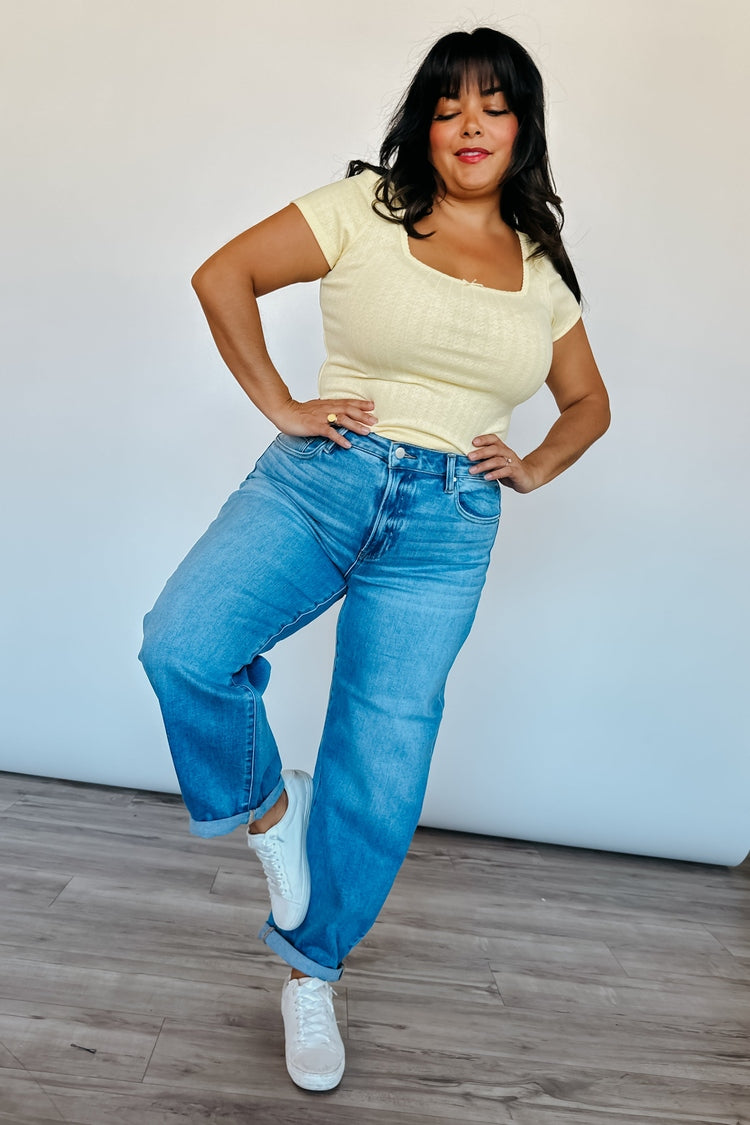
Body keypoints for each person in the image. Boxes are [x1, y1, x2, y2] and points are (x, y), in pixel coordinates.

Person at [139, 26, 609, 1092]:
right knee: (183, 646)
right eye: (449, 106)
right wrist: (281, 403)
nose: (471, 124)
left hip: (449, 523)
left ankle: (313, 971)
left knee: (383, 757)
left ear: (523, 128)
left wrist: (534, 464)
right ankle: (273, 813)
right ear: (425, 126)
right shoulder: (367, 207)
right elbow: (223, 274)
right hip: (324, 479)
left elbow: (589, 401)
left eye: (494, 106)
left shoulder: (540, 270)